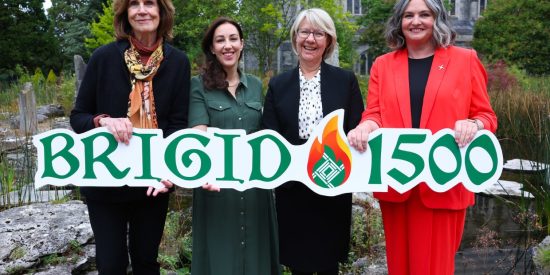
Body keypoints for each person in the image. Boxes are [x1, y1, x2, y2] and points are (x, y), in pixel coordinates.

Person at [346, 0, 497, 274]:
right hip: (397, 183)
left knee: (436, 268)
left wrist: (473, 124)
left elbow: (487, 117)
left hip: (444, 183)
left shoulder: (465, 60)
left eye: (424, 14)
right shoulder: (382, 65)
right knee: (399, 267)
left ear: (437, 19)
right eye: (409, 15)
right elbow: (375, 113)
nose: (416, 21)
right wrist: (365, 127)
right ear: (399, 22)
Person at [69, 0, 190, 273]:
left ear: (162, 12)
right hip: (105, 182)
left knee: (146, 261)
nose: (142, 10)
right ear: (126, 14)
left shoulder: (179, 62)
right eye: (134, 4)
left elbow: (178, 125)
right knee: (111, 264)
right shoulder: (103, 57)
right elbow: (78, 117)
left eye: (150, 3)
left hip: (153, 182)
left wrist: (170, 172)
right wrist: (103, 121)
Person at [262, 8, 364, 275]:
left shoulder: (345, 81)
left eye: (318, 33)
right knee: (299, 263)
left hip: (333, 182)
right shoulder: (278, 85)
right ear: (296, 38)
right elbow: (269, 134)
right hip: (293, 186)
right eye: (305, 32)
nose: (311, 39)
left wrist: (360, 134)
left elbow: (357, 127)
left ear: (328, 41)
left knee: (329, 262)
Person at [187, 17, 281, 275]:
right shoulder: (198, 86)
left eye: (232, 39)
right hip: (216, 189)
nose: (227, 45)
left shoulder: (256, 86)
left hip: (255, 192)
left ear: (242, 44)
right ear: (212, 48)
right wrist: (203, 172)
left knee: (256, 262)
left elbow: (266, 135)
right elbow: (198, 134)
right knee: (220, 262)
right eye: (220, 40)